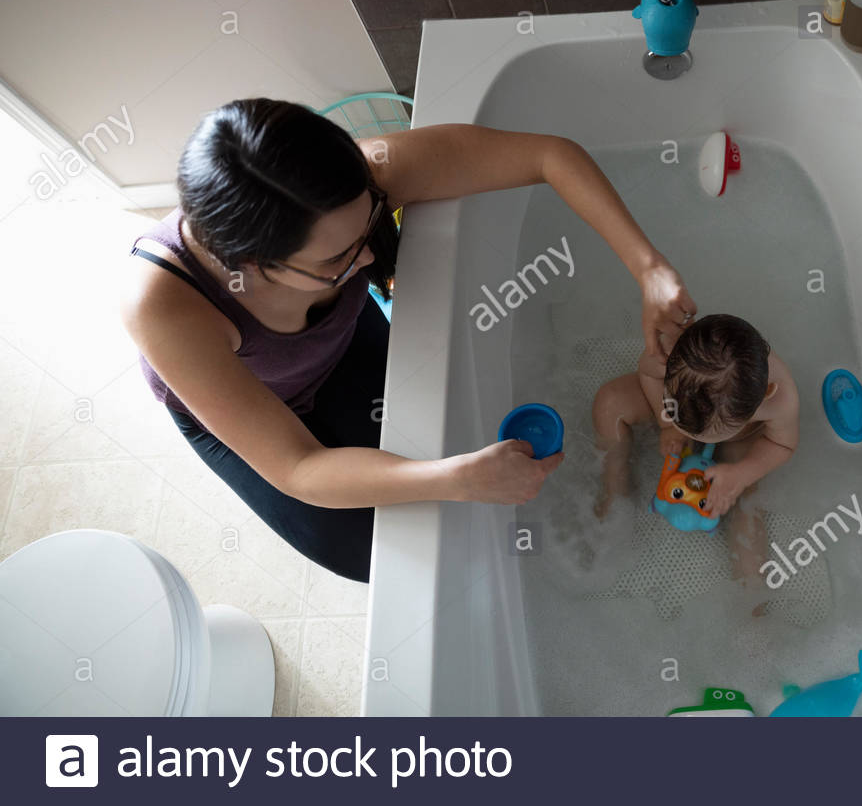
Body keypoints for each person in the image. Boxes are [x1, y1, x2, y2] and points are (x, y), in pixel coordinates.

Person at [120, 98, 696, 582]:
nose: (368, 256)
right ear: (250, 265)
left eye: (369, 222)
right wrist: (458, 479)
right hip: (255, 401)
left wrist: (647, 268)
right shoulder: (165, 306)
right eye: (336, 259)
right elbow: (299, 469)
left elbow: (549, 156)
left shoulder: (359, 179)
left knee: (437, 449)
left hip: (341, 345)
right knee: (384, 556)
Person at [592, 314, 799, 599]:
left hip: (742, 439)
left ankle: (753, 607)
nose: (693, 440)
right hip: (681, 407)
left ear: (764, 395)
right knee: (610, 402)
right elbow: (648, 373)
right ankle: (614, 495)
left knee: (748, 506)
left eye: (703, 437)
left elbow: (783, 445)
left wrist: (742, 473)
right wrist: (668, 423)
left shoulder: (779, 397)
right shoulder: (668, 352)